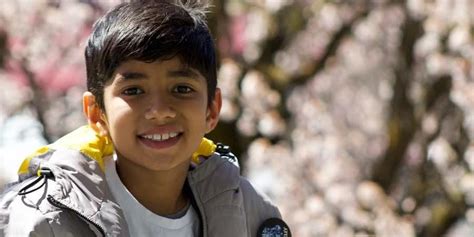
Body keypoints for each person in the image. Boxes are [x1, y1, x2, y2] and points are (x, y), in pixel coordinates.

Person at [0, 0, 291, 236]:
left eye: (182, 88)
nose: (160, 110)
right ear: (96, 113)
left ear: (212, 110)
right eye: (134, 90)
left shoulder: (250, 213)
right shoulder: (45, 221)